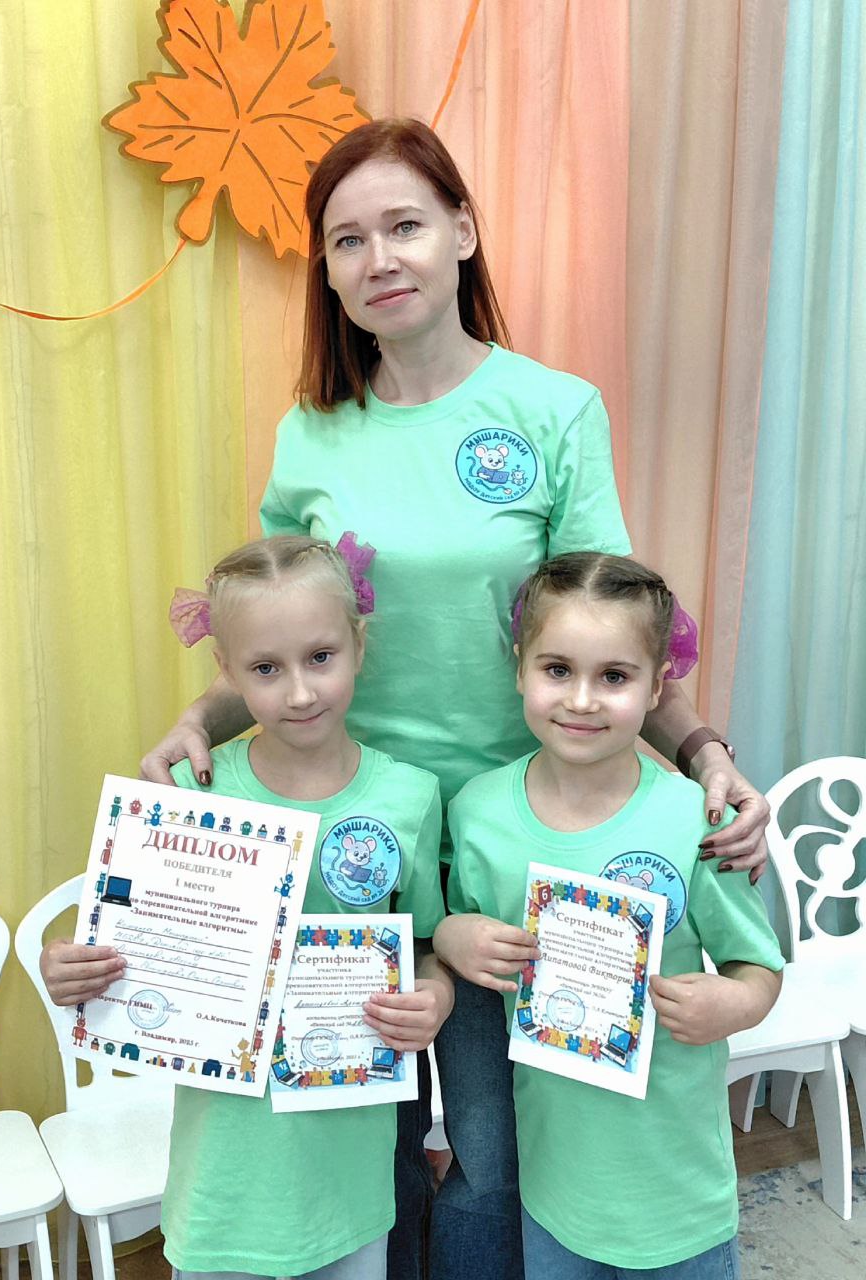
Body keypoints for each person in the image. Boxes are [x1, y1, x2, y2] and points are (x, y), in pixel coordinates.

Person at [138, 119, 773, 1280]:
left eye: (406, 225)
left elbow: (613, 628)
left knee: (492, 1147)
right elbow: (281, 632)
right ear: (326, 270)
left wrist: (704, 752)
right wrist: (196, 720)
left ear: (464, 231)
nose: (379, 257)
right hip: (351, 845)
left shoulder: (554, 410)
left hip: (514, 850)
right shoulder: (310, 431)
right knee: (357, 1141)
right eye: (348, 239)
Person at [40, 535, 453, 1280]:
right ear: (227, 672)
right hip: (223, 1184)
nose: (300, 693)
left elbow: (423, 944)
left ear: (359, 647)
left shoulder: (411, 796)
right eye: (266, 668)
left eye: (320, 657)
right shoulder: (188, 794)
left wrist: (436, 995)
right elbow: (121, 939)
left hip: (349, 1187)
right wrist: (69, 967)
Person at [435, 552, 784, 1278]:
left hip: (679, 1190)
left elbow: (759, 966)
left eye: (615, 677)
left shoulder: (697, 820)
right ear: (519, 667)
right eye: (557, 669)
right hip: (554, 1188)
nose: (582, 700)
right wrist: (452, 935)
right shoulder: (477, 813)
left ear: (657, 686)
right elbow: (458, 924)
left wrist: (735, 1002)